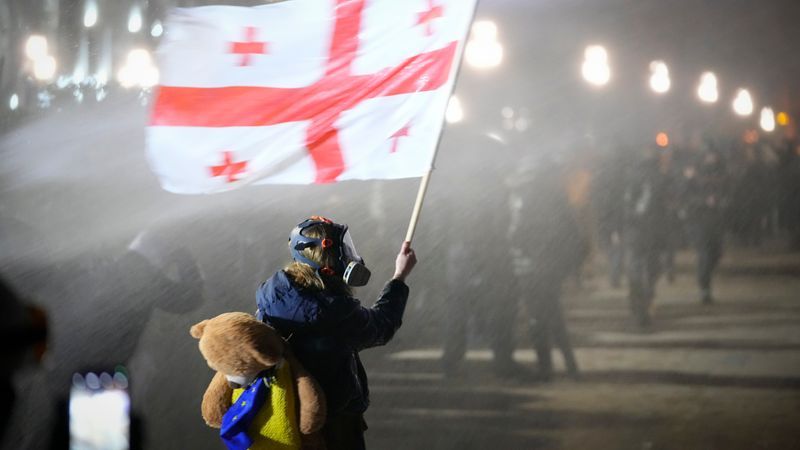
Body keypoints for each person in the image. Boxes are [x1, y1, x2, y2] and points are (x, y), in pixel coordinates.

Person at [255, 216, 416, 450]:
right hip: (332, 426)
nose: (350, 255)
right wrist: (399, 277)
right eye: (344, 248)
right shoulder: (333, 312)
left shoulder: (274, 295)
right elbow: (381, 326)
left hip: (284, 419)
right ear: (327, 257)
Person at [508, 155, 586, 380]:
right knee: (554, 313)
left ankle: (546, 368)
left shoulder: (523, 195)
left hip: (529, 264)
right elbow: (571, 230)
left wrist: (515, 245)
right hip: (551, 264)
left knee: (537, 317)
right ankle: (570, 365)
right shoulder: (556, 195)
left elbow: (517, 232)